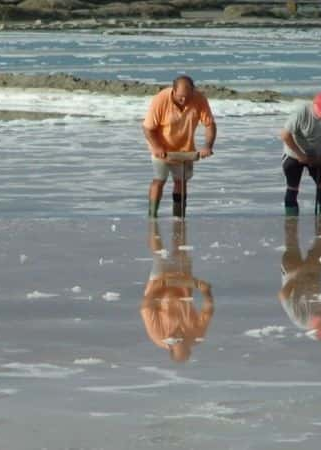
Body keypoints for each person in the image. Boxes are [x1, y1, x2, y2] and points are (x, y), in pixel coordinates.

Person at [143, 75, 216, 218]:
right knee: (159, 179)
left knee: (181, 182)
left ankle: (178, 217)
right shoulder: (161, 99)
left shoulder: (199, 99)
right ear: (174, 91)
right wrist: (157, 147)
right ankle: (152, 216)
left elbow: (210, 125)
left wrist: (208, 145)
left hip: (185, 148)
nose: (184, 100)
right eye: (181, 97)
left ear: (193, 91)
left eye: (188, 96)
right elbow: (147, 129)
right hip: (160, 147)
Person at [140, 220, 214, 363]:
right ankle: (179, 216)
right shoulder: (196, 336)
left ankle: (152, 222)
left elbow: (146, 303)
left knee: (159, 255)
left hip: (158, 286)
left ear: (170, 346)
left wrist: (165, 282)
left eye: (176, 341)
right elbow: (208, 311)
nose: (179, 337)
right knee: (181, 248)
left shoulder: (157, 335)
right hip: (184, 286)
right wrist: (206, 293)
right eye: (183, 342)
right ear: (189, 346)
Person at [280, 92, 321, 216]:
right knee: (292, 188)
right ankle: (291, 224)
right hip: (293, 153)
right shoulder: (302, 112)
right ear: (314, 104)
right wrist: (299, 154)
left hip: (316, 154)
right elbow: (284, 135)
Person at [278, 216, 321, 340]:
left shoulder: (300, 318)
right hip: (313, 272)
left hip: (293, 272)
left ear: (312, 327)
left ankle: (291, 212)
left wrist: (293, 277)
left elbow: (282, 295)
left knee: (292, 242)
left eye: (320, 326)